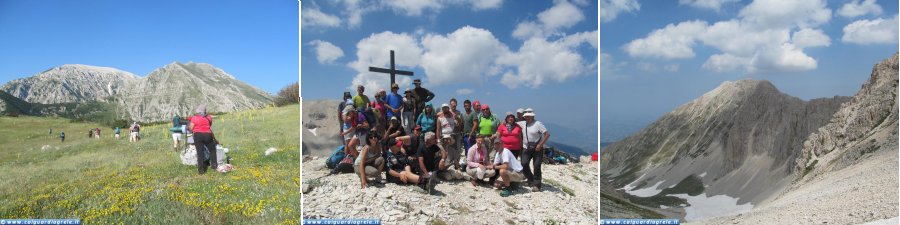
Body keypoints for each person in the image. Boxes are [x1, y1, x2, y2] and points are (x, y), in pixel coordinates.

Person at [517, 110, 550, 191]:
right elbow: (510, 122)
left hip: (537, 148)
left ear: (533, 116)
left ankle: (537, 185)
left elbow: (547, 134)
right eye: (526, 116)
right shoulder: (523, 123)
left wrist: (540, 145)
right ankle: (531, 179)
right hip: (526, 147)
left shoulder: (538, 124)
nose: (527, 117)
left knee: (537, 166)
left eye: (529, 116)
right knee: (524, 164)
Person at [189, 105, 218, 175]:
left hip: (198, 135)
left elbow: (191, 128)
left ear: (198, 111)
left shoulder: (194, 118)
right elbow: (209, 127)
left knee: (200, 153)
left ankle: (201, 171)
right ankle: (214, 166)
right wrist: (215, 139)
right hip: (208, 135)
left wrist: (192, 129)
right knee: (212, 150)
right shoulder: (209, 117)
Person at [435, 103, 460, 170]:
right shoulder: (440, 118)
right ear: (442, 109)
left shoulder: (453, 116)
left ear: (448, 108)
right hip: (444, 137)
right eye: (443, 108)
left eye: (446, 108)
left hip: (453, 135)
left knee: (455, 151)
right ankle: (444, 166)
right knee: (445, 152)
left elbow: (459, 122)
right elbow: (438, 129)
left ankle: (456, 166)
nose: (445, 109)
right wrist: (437, 139)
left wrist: (456, 117)